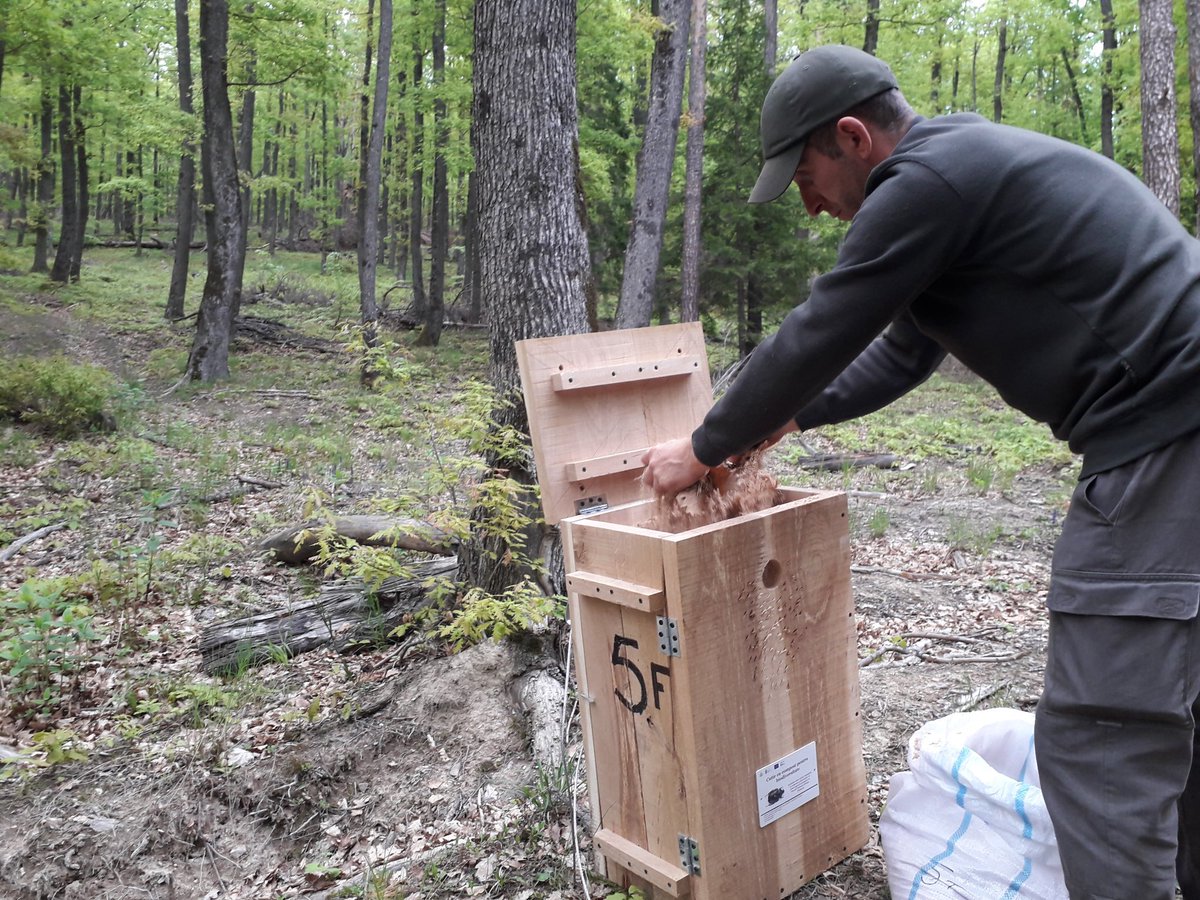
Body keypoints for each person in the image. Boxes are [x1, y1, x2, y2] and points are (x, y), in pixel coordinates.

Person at [640, 43, 1200, 900]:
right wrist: (787, 416)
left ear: (854, 137)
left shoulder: (927, 185)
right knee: (1175, 715)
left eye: (806, 176)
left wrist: (705, 444)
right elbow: (903, 355)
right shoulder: (962, 175)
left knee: (1099, 741)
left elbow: (822, 328)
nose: (810, 204)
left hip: (1169, 440)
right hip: (1176, 425)